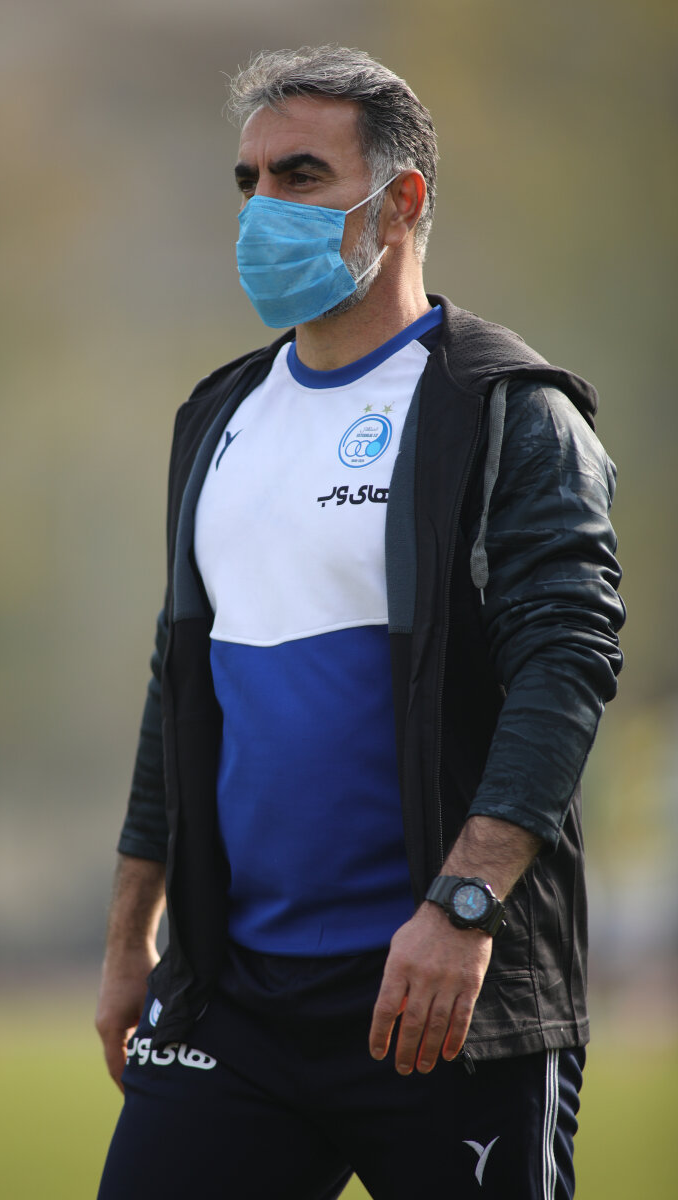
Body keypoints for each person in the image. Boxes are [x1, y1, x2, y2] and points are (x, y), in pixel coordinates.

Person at [95, 46, 624, 1200]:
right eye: (247, 181)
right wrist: (131, 934)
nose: (262, 210)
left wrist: (461, 909)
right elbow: (177, 688)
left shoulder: (507, 410)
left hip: (440, 992)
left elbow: (566, 664)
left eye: (299, 176)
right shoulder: (218, 415)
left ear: (399, 201)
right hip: (234, 1002)